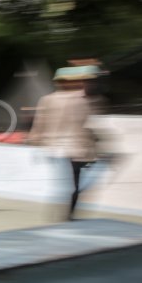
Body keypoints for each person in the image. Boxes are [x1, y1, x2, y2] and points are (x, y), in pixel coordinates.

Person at [27, 66, 99, 220]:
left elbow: (39, 122)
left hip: (53, 147)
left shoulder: (47, 99)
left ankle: (59, 212)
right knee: (76, 183)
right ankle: (69, 214)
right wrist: (92, 149)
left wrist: (35, 139)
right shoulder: (83, 100)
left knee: (62, 183)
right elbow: (87, 126)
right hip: (76, 149)